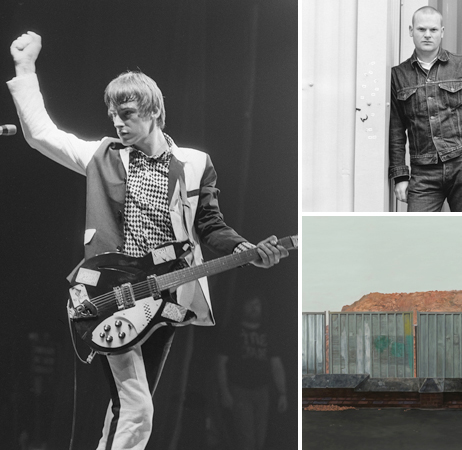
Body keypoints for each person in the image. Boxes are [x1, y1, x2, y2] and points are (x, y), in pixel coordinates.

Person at [8, 31, 289, 450]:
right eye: (113, 114)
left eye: (127, 112)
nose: (118, 122)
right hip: (113, 292)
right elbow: (40, 134)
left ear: (153, 111)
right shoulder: (101, 156)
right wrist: (25, 68)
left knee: (128, 406)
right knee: (136, 407)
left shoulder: (194, 163)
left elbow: (210, 225)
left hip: (166, 297)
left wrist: (245, 251)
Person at [389, 6, 462, 212]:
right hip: (423, 173)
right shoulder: (398, 75)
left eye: (433, 30)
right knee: (418, 235)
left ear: (442, 32)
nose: (427, 35)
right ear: (410, 31)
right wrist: (401, 176)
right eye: (421, 29)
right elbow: (396, 131)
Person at [216, 296, 287, 450]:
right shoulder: (232, 332)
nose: (254, 308)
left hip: (262, 391)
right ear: (243, 306)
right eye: (250, 304)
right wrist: (225, 392)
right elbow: (220, 364)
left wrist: (282, 393)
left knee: (260, 438)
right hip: (239, 390)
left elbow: (276, 365)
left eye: (257, 304)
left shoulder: (268, 332)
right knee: (246, 438)